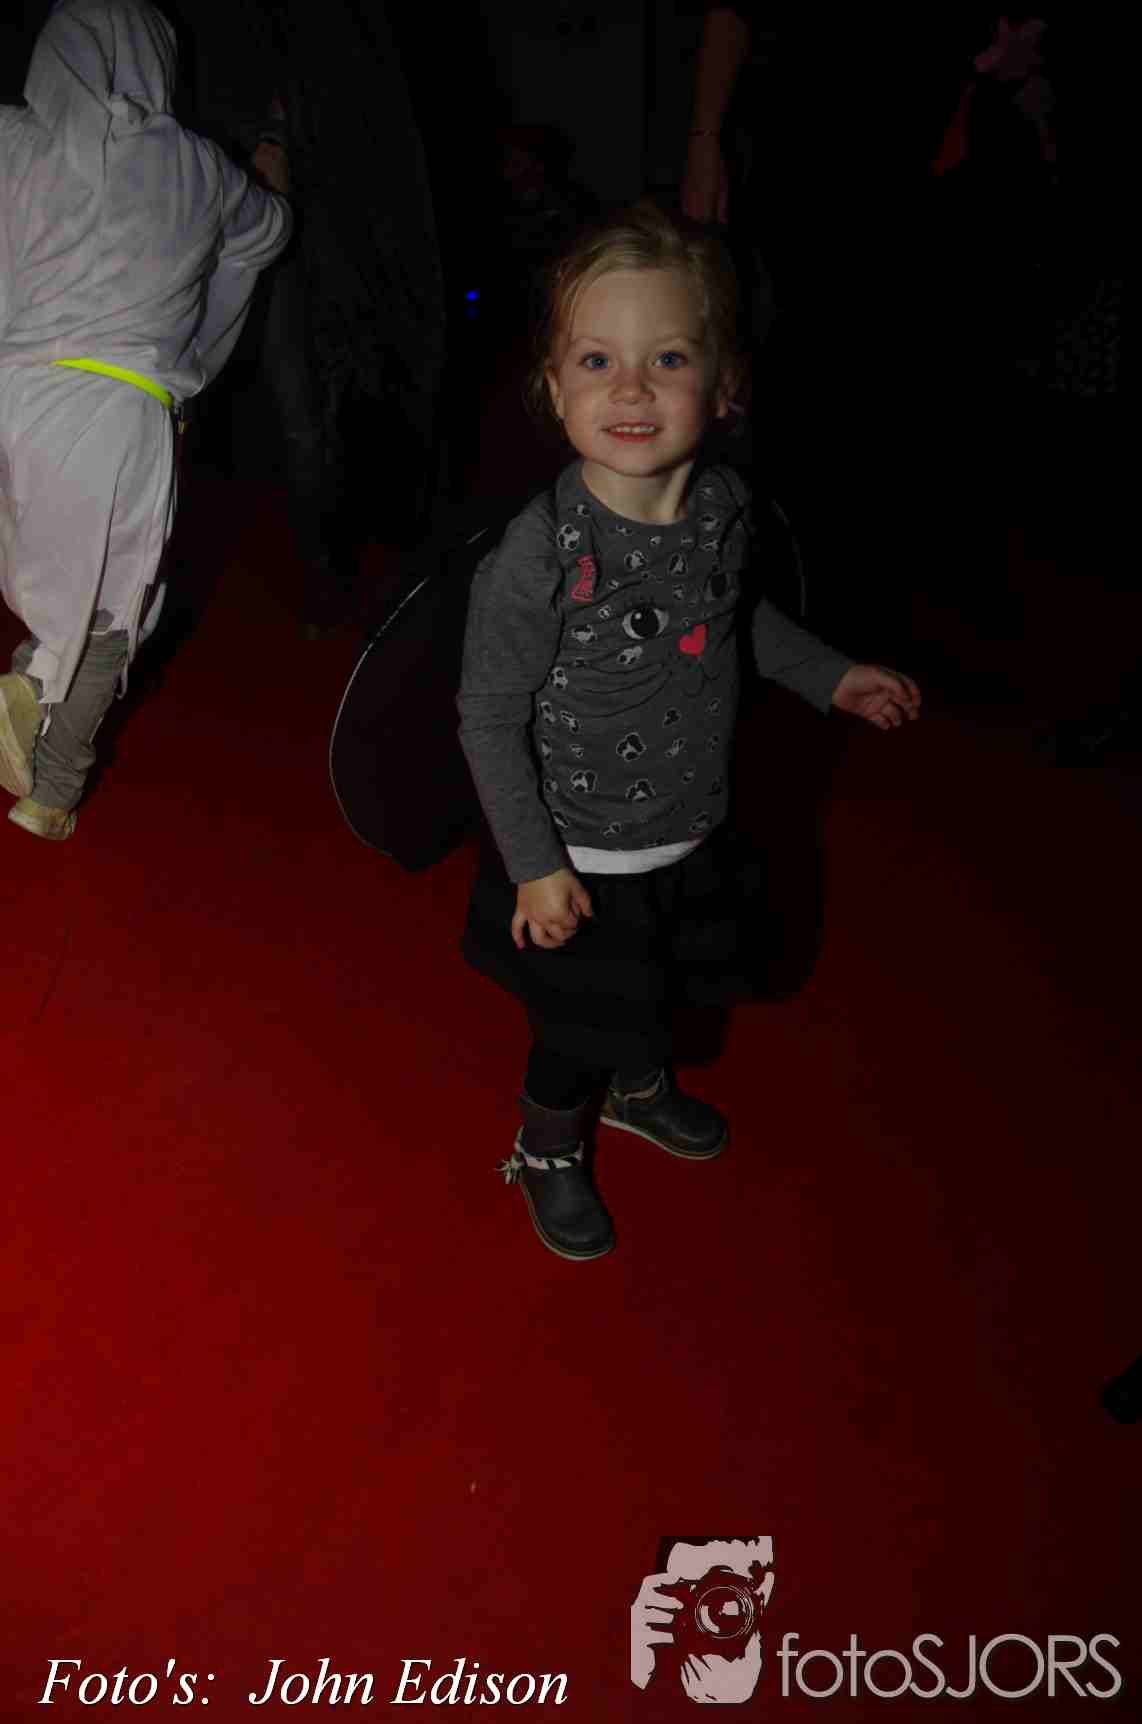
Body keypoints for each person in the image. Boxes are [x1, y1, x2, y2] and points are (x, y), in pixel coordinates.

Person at [456, 203, 921, 1262]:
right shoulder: (541, 553)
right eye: (597, 359)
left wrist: (830, 675)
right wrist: (534, 865)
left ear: (723, 387)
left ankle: (638, 1081)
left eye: (665, 357)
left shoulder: (722, 506)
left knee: (663, 979)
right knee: (576, 1022)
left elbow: (736, 615)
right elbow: (485, 713)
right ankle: (548, 1144)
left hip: (688, 821)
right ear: (553, 387)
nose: (629, 388)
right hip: (576, 852)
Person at [0, 0, 292, 839]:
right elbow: (268, 233)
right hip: (121, 410)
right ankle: (45, 757)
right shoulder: (195, 165)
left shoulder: (15, 141)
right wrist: (270, 163)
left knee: (61, 585)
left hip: (18, 398)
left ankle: (40, 724)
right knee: (116, 613)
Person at [631, 1534, 775, 1701]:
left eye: (726, 1589)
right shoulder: (653, 1650)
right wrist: (639, 1674)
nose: (713, 1609)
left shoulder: (789, 1660)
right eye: (689, 1588)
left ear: (764, 1591)